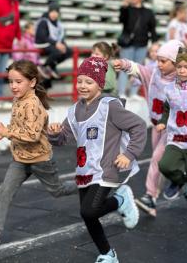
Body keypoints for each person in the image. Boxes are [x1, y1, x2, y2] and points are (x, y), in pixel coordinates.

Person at [0, 60, 77, 256]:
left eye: (18, 82)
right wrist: (5, 132)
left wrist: (7, 132)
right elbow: (18, 126)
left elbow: (32, 135)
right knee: (5, 191)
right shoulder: (18, 99)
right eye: (10, 82)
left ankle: (85, 183)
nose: (13, 86)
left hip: (40, 159)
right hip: (20, 159)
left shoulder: (33, 104)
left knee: (58, 191)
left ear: (33, 82)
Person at [48, 56, 147, 263]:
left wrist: (129, 154)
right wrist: (55, 133)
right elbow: (63, 138)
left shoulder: (109, 106)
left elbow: (138, 126)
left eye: (89, 82)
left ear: (100, 84)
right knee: (88, 215)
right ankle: (107, 254)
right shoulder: (75, 110)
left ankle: (121, 199)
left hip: (105, 169)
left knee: (89, 210)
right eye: (80, 80)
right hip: (85, 171)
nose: (82, 86)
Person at [113, 40, 184, 217]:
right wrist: (123, 64)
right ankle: (154, 199)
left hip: (174, 129)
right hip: (157, 126)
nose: (158, 64)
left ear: (175, 62)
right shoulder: (153, 73)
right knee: (159, 163)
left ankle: (151, 195)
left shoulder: (182, 79)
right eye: (158, 59)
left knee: (157, 160)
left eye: (163, 61)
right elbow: (137, 69)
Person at [157, 47, 187, 225]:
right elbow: (167, 108)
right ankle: (179, 182)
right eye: (179, 66)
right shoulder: (170, 88)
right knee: (165, 165)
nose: (182, 70)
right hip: (176, 138)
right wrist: (163, 121)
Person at [117, 0, 158, 98]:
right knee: (124, 68)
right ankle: (121, 92)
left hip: (142, 44)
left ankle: (133, 93)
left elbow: (152, 29)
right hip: (127, 44)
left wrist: (154, 42)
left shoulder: (148, 12)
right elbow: (121, 20)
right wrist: (124, 7)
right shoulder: (126, 9)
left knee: (138, 69)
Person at [35, 1, 72, 89]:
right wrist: (56, 44)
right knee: (57, 52)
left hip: (53, 44)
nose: (54, 14)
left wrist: (63, 45)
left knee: (69, 51)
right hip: (43, 44)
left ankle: (51, 66)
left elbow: (60, 37)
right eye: (52, 12)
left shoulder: (58, 24)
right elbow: (42, 37)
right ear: (49, 12)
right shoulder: (43, 21)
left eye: (56, 12)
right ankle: (44, 67)